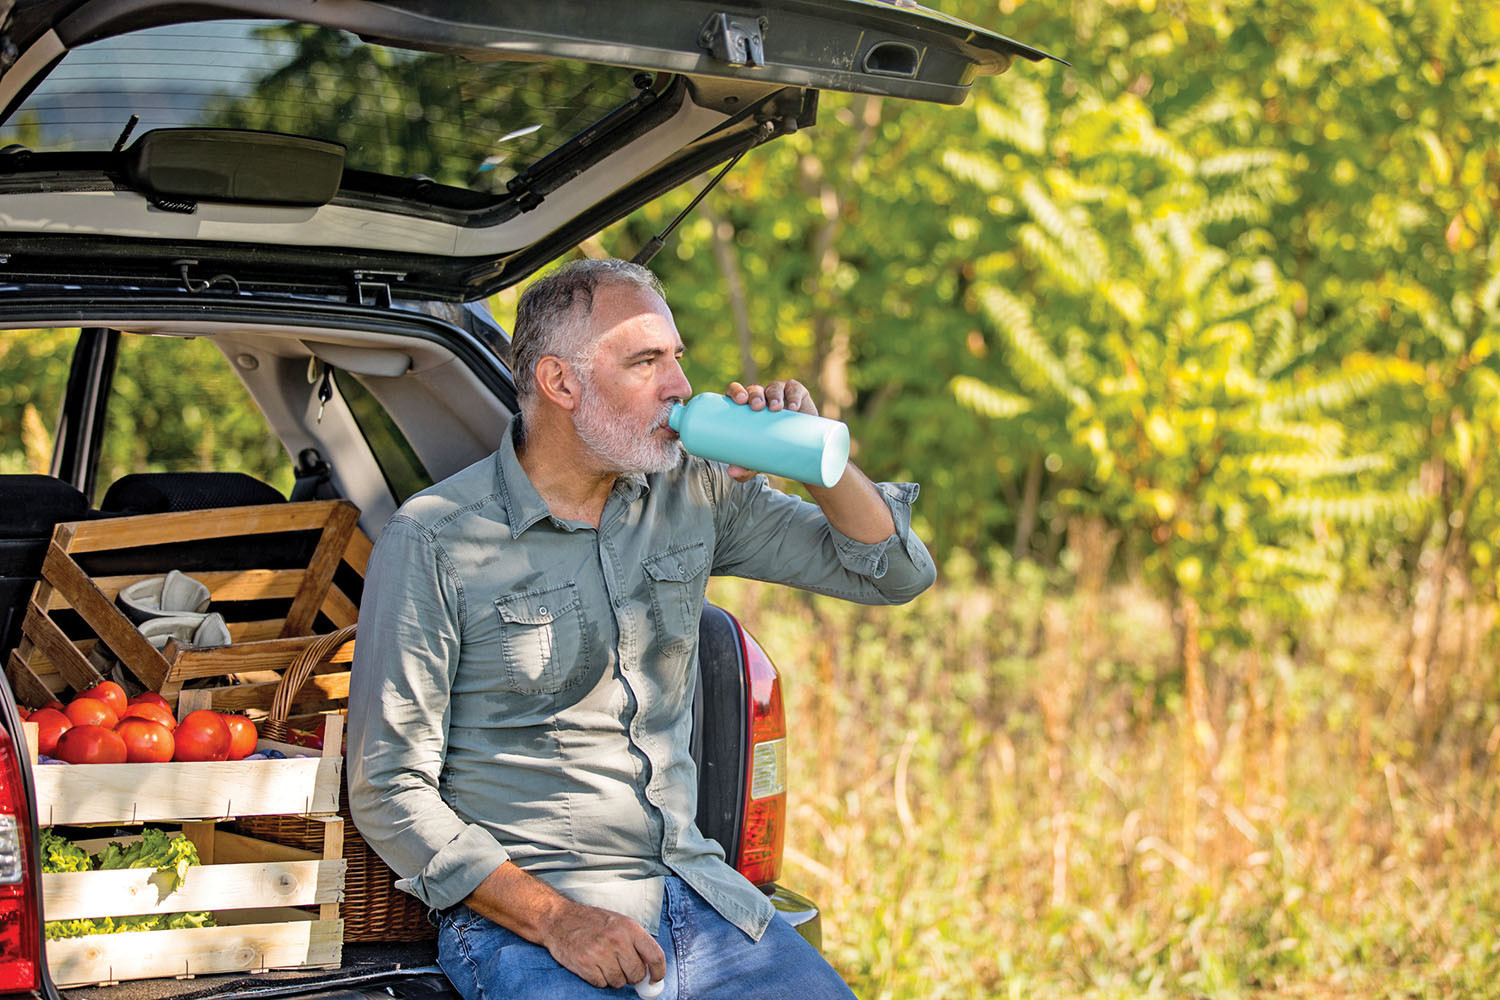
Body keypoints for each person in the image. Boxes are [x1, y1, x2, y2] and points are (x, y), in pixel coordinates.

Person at [346, 258, 936, 999]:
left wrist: (817, 455)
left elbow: (893, 573)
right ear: (562, 385)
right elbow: (389, 785)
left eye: (677, 358)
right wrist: (558, 920)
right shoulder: (435, 538)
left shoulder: (695, 490)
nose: (681, 386)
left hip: (702, 895)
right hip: (538, 921)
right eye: (646, 362)